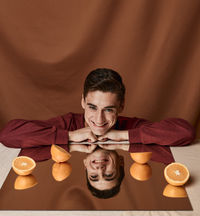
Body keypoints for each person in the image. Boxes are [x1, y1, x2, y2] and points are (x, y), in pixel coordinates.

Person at [0, 68, 195, 151]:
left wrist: (122, 136)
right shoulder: (68, 124)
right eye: (92, 107)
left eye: (108, 109)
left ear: (121, 106)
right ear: (83, 101)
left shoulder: (130, 126)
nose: (99, 119)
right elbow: (9, 134)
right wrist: (70, 136)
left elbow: (185, 132)